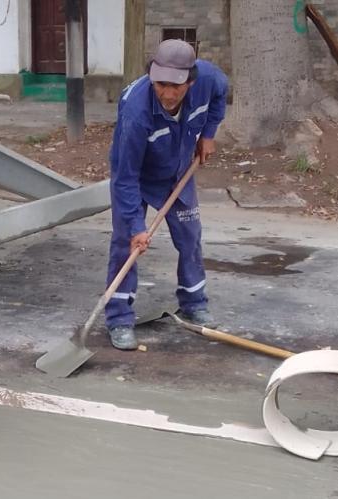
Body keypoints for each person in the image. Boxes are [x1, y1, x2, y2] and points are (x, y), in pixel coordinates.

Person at [104, 39, 228, 350]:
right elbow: (125, 176)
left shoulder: (209, 80)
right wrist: (136, 228)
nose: (168, 94)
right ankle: (119, 318)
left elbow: (219, 96)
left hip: (178, 173)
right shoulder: (135, 111)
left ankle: (194, 302)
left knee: (190, 237)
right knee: (124, 244)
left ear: (191, 79)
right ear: (151, 77)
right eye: (160, 85)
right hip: (137, 177)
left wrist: (208, 135)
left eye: (177, 86)